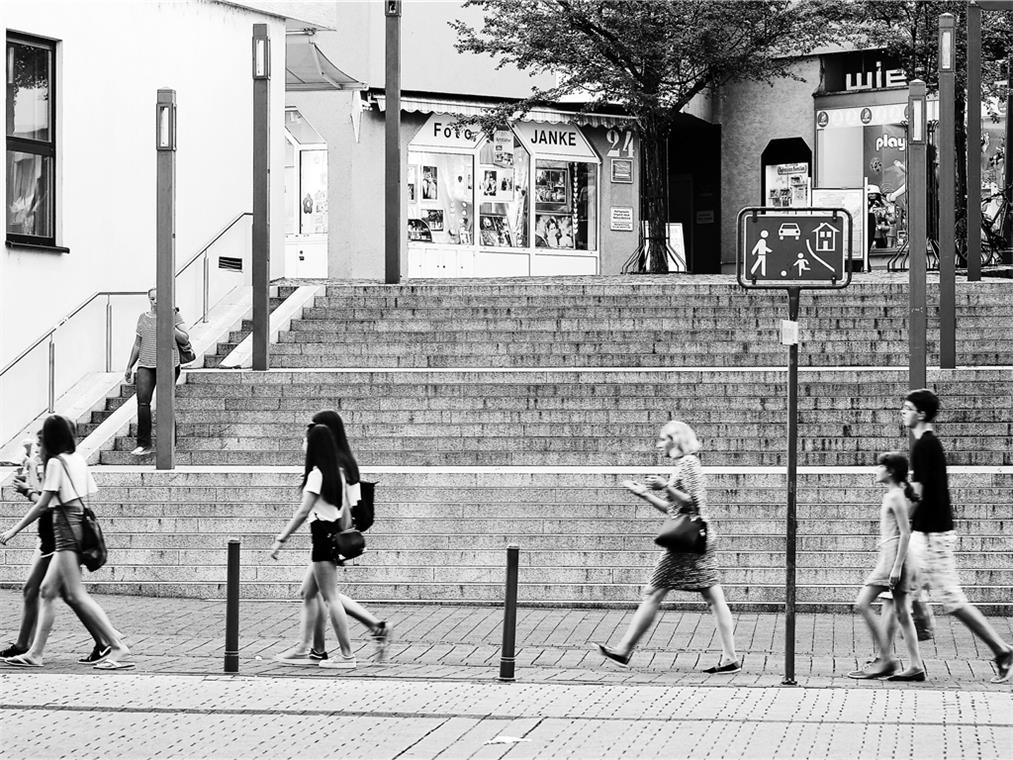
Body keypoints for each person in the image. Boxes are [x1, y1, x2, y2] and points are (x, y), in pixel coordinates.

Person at [596, 421, 740, 673]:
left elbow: (694, 505)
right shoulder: (685, 465)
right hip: (696, 539)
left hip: (687, 543)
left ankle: (623, 650)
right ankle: (730, 659)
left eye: (662, 439)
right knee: (714, 597)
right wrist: (645, 494)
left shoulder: (688, 464)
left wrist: (665, 486)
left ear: (675, 440)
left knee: (654, 592)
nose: (658, 444)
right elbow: (675, 510)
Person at [0, 415, 131, 669]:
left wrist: (12, 530)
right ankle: (35, 653)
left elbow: (43, 504)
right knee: (47, 591)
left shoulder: (56, 464)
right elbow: (81, 494)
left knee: (76, 594)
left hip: (64, 528)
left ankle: (116, 645)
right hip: (75, 524)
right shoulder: (77, 459)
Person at [903, 389, 1013, 683]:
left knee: (951, 599)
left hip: (932, 534)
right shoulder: (926, 444)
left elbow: (919, 494)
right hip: (927, 532)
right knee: (902, 589)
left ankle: (1002, 651)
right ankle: (905, 650)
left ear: (921, 414)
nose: (904, 412)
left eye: (908, 408)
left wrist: (900, 520)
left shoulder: (925, 446)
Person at [300, 410, 390, 664]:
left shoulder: (335, 463)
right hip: (332, 534)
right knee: (312, 591)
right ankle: (374, 627)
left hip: (329, 535)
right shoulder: (342, 459)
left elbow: (344, 506)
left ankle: (332, 651)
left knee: (322, 594)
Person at [269, 424, 358, 669]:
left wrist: (280, 540)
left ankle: (347, 656)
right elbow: (346, 512)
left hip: (321, 538)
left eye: (305, 440)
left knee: (331, 598)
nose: (303, 444)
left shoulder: (317, 474)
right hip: (330, 536)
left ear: (314, 446)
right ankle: (314, 650)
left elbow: (303, 512)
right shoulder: (337, 473)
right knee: (308, 592)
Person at [847, 452, 925, 681]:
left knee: (862, 603)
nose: (876, 469)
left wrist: (896, 567)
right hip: (893, 557)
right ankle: (914, 665)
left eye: (880, 466)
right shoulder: (895, 494)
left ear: (890, 471)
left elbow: (905, 532)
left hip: (893, 559)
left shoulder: (894, 496)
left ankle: (886, 658)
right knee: (902, 613)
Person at [123, 288, 189, 456]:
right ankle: (144, 444)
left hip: (168, 364)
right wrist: (129, 366)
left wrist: (168, 324)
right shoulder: (143, 318)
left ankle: (170, 443)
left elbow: (185, 338)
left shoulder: (173, 315)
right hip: (146, 364)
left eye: (158, 298)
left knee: (165, 401)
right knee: (142, 402)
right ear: (149, 300)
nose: (156, 301)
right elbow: (138, 343)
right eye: (152, 299)